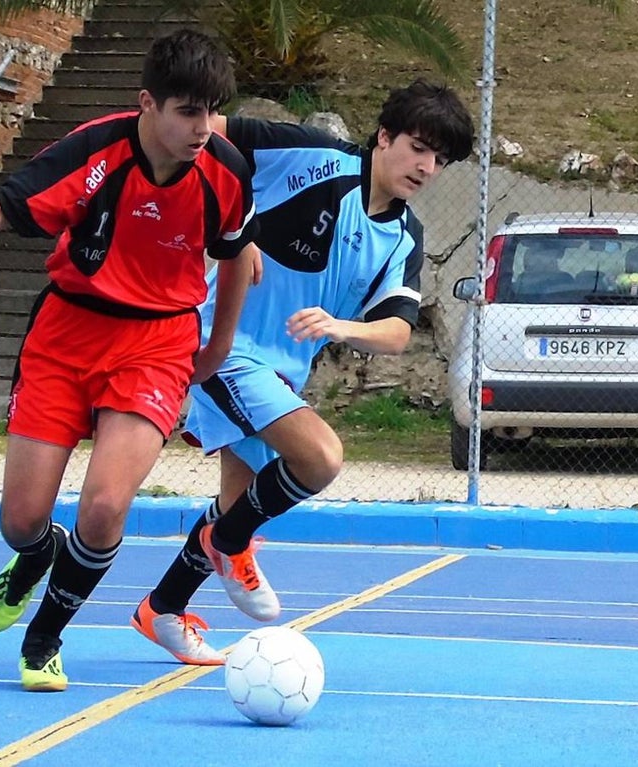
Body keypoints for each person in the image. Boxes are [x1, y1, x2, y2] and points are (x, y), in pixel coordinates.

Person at [0, 28, 259, 692]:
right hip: (66, 336)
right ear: (147, 104)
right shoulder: (97, 149)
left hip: (157, 345)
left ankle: (45, 638)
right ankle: (40, 554)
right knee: (20, 520)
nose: (202, 126)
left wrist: (219, 345)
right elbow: (11, 197)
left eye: (210, 110)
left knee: (104, 505)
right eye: (186, 110)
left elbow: (238, 259)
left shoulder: (226, 173)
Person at [130, 79, 475, 664]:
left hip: (282, 372)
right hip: (222, 340)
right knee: (319, 459)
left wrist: (344, 327)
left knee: (238, 504)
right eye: (419, 147)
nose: (427, 166)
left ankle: (161, 609)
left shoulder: (404, 238)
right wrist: (233, 231)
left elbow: (395, 331)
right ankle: (227, 542)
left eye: (439, 160)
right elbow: (206, 132)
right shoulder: (311, 155)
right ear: (384, 136)